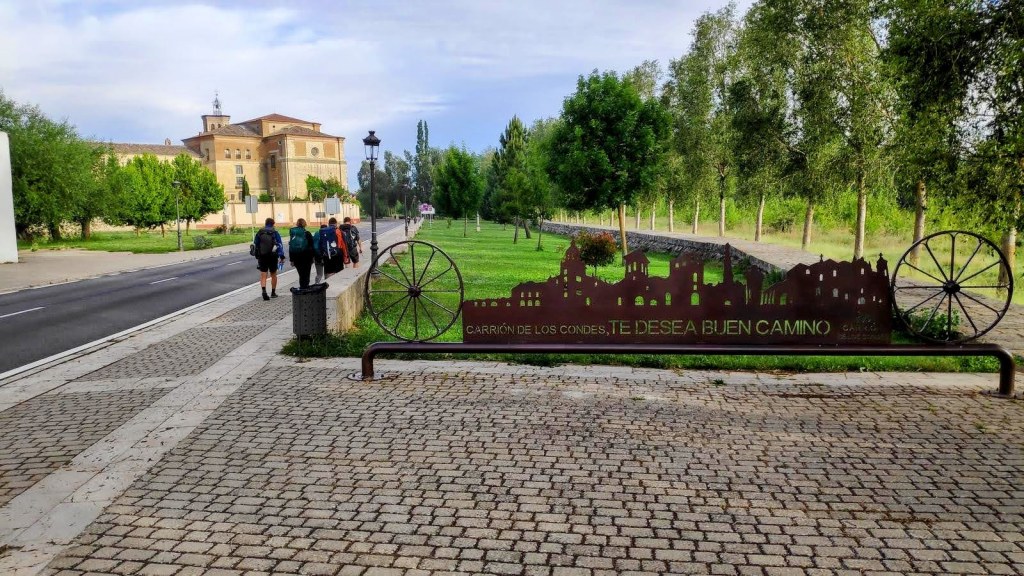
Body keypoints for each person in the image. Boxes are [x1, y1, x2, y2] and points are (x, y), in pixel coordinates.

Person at [253, 217, 285, 300]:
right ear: (273, 223)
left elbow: (256, 243)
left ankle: (264, 291)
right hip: (273, 256)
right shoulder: (275, 232)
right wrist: (282, 256)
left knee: (263, 274)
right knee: (273, 274)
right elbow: (279, 245)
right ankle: (273, 292)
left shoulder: (260, 232)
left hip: (262, 256)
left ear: (265, 223)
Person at [288, 218, 315, 288]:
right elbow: (312, 247)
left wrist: (291, 260)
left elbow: (291, 247)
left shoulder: (293, 234)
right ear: (305, 224)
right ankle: (305, 289)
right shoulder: (307, 234)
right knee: (306, 274)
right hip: (307, 258)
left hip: (297, 258)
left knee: (301, 275)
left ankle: (302, 288)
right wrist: (313, 257)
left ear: (297, 224)